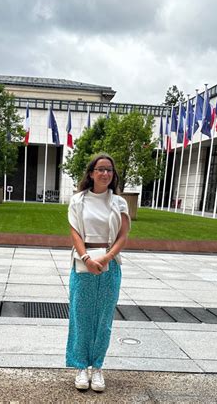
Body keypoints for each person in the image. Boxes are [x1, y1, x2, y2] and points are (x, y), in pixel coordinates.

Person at [66, 153, 130, 392]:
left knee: (103, 320)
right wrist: (86, 257)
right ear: (91, 173)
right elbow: (74, 233)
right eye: (101, 169)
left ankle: (98, 367)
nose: (105, 174)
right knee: (81, 316)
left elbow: (123, 236)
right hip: (83, 264)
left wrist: (106, 258)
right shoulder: (78, 200)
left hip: (109, 264)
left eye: (109, 170)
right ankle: (81, 366)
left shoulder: (119, 202)